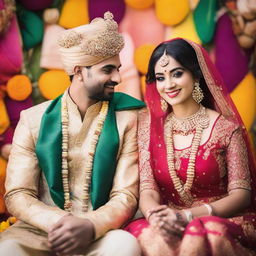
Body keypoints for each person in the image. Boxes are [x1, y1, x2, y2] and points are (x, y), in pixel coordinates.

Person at [0, 12, 145, 256]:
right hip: (39, 231)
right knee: (7, 249)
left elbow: (125, 194)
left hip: (100, 232)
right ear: (78, 71)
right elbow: (18, 193)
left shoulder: (128, 118)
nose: (118, 78)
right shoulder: (32, 119)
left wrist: (89, 225)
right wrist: (60, 223)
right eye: (108, 70)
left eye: (118, 69)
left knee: (125, 246)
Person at [124, 38, 256, 255]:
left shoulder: (226, 129)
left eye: (177, 73)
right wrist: (155, 216)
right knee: (149, 236)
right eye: (160, 77)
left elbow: (241, 195)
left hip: (219, 220)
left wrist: (189, 216)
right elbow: (148, 188)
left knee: (207, 235)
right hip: (168, 219)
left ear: (196, 74)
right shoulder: (149, 128)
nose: (168, 85)